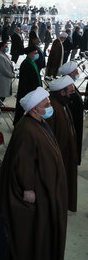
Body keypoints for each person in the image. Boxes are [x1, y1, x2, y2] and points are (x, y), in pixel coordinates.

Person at [0, 87, 67, 260]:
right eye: (47, 104)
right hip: (34, 190)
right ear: (35, 108)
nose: (50, 106)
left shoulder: (39, 122)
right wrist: (28, 188)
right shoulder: (27, 129)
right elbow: (23, 162)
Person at [46, 76, 78, 212]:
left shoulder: (62, 105)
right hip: (58, 158)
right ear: (62, 92)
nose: (72, 95)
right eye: (70, 92)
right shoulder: (53, 108)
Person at [58, 61, 84, 165]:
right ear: (70, 74)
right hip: (72, 123)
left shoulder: (70, 85)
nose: (78, 72)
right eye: (76, 71)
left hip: (76, 122)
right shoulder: (66, 88)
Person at [13, 46, 42, 124]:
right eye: (35, 53)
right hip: (27, 91)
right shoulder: (26, 64)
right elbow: (25, 82)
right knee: (23, 110)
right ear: (29, 54)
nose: (37, 54)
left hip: (34, 90)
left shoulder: (32, 62)